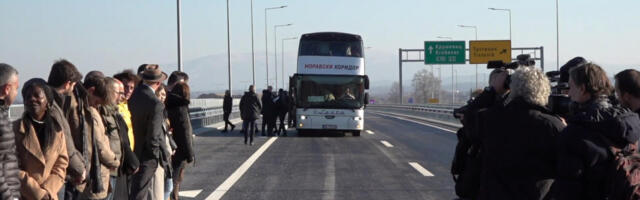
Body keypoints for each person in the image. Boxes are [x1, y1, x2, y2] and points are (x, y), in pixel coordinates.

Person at [553, 63, 640, 199]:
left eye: (571, 87)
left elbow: (568, 188)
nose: (568, 93)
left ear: (582, 89)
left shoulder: (576, 133)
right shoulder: (629, 122)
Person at [478, 67, 566, 200]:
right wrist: (566, 132)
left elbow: (469, 117)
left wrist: (491, 90)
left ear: (512, 89)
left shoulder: (492, 119)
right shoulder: (552, 125)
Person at [451, 66, 512, 199]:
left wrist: (489, 91)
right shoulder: (515, 110)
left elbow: (471, 126)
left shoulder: (485, 112)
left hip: (482, 180)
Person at [15, 78, 69, 200]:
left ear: (48, 102)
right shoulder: (14, 130)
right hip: (24, 195)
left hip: (50, 195)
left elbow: (61, 166)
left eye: (37, 96)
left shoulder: (57, 131)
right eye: (28, 97)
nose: (32, 99)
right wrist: (38, 194)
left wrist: (47, 191)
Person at [46, 59, 90, 200]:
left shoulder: (51, 104)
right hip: (54, 175)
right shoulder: (53, 108)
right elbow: (65, 142)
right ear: (67, 84)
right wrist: (80, 169)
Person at [128, 64, 168, 200]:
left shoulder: (132, 97)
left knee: (133, 192)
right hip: (146, 156)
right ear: (158, 83)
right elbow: (153, 136)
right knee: (141, 193)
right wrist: (155, 156)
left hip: (131, 152)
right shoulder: (156, 104)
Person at [80, 74, 120, 200]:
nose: (97, 105)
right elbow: (100, 144)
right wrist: (114, 161)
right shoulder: (91, 113)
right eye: (97, 101)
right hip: (96, 174)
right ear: (91, 91)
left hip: (97, 172)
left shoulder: (89, 110)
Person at [107, 78, 138, 200]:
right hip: (113, 165)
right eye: (119, 92)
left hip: (120, 163)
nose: (122, 95)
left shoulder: (117, 111)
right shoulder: (106, 113)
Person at [166, 82, 195, 200]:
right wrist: (190, 155)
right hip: (180, 152)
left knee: (170, 181)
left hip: (170, 149)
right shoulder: (182, 109)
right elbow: (186, 133)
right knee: (176, 181)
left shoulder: (167, 106)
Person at [0, 64, 20, 200]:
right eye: (16, 88)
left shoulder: (3, 115)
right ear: (7, 89)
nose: (16, 93)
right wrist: (8, 196)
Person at [155, 84, 174, 200]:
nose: (162, 97)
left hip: (166, 153)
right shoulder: (156, 111)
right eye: (160, 94)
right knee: (166, 188)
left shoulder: (163, 111)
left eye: (164, 95)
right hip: (161, 155)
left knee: (168, 186)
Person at [113, 70, 138, 152]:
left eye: (131, 88)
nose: (129, 91)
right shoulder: (113, 106)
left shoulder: (127, 105)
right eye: (126, 87)